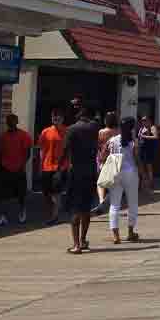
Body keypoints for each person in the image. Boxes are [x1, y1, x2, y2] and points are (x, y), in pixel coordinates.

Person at [62, 106, 99, 254]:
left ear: (79, 115)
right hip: (90, 172)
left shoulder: (72, 129)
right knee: (86, 208)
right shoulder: (94, 128)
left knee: (75, 209)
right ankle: (83, 240)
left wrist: (59, 169)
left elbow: (65, 150)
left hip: (77, 171)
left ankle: (76, 245)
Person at [105, 117, 140, 244]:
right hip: (131, 173)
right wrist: (143, 174)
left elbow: (104, 154)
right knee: (132, 203)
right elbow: (137, 158)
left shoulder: (113, 140)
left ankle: (115, 235)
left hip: (115, 173)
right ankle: (130, 232)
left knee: (114, 204)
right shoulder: (133, 141)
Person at [0, 114, 32, 226]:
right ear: (7, 123)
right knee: (3, 195)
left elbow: (28, 152)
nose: (11, 123)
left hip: (19, 169)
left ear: (17, 122)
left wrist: (22, 165)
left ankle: (22, 213)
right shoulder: (3, 136)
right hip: (5, 168)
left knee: (21, 194)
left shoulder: (24, 135)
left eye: (13, 121)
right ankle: (3, 217)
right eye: (9, 121)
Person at [37, 109, 67, 224]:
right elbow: (42, 150)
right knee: (46, 193)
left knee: (57, 192)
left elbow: (69, 149)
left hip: (60, 167)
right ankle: (53, 211)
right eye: (54, 118)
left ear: (62, 119)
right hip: (46, 167)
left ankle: (55, 216)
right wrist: (40, 165)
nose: (55, 120)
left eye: (58, 118)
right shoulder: (46, 132)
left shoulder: (67, 131)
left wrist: (68, 165)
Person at [95, 111, 117, 213]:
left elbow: (98, 147)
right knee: (114, 183)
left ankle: (101, 200)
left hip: (104, 159)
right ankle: (107, 199)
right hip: (116, 159)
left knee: (101, 182)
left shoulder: (101, 132)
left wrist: (99, 160)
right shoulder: (119, 132)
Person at [136, 117, 158, 193]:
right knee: (141, 168)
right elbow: (138, 138)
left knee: (149, 167)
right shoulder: (141, 128)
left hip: (148, 150)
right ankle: (141, 185)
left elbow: (155, 137)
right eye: (142, 121)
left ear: (149, 121)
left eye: (145, 121)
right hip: (142, 150)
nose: (143, 122)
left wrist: (144, 136)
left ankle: (151, 184)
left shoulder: (152, 127)